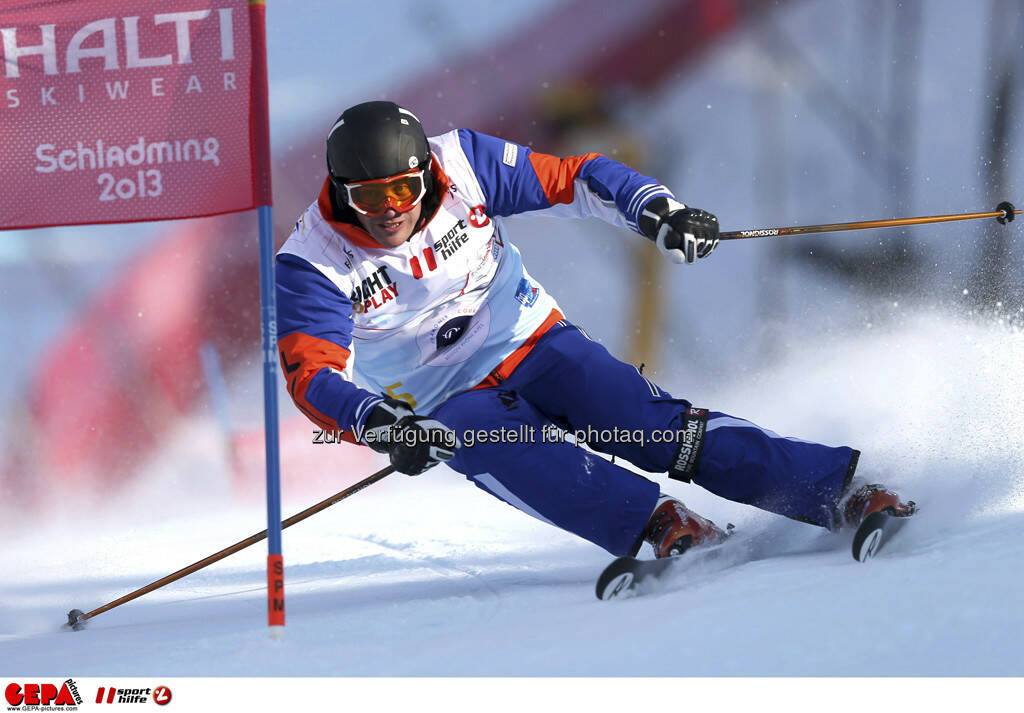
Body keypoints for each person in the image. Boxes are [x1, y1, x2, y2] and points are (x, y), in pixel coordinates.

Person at [275, 100, 915, 560]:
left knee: (642, 423)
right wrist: (381, 424)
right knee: (500, 443)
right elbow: (314, 376)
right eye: (367, 198)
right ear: (339, 192)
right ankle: (664, 526)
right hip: (439, 397)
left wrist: (657, 211)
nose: (389, 212)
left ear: (424, 174)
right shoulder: (314, 260)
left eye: (401, 191)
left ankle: (841, 490)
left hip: (528, 338)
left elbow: (576, 177)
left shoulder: (461, 163)